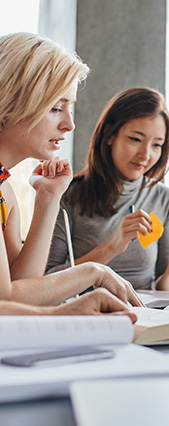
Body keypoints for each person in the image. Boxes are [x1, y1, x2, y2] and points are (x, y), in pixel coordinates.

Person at [0, 32, 142, 311]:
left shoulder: (5, 190)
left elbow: (22, 287)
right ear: (9, 102)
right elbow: (4, 300)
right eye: (55, 108)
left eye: (70, 109)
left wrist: (48, 199)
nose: (69, 124)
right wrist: (93, 272)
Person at [46, 87, 169, 291]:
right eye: (135, 139)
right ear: (110, 135)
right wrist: (112, 247)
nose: (145, 154)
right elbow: (45, 280)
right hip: (87, 314)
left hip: (146, 316)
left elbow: (163, 291)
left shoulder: (163, 198)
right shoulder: (69, 194)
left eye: (157, 145)